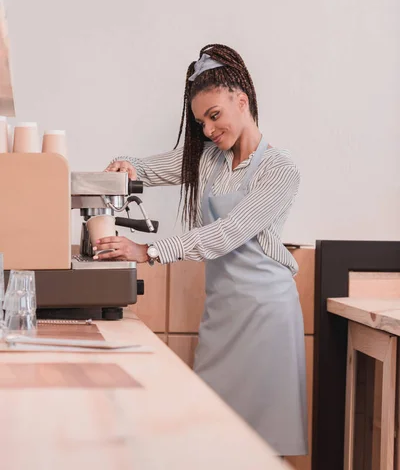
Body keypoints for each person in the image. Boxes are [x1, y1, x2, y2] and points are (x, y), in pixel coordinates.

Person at [96, 43, 308, 457]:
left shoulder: (281, 169)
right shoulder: (209, 160)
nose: (208, 130)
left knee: (263, 446)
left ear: (241, 101)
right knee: (209, 437)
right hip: (222, 315)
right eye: (201, 122)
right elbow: (150, 167)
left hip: (266, 318)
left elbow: (228, 233)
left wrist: (150, 251)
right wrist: (124, 163)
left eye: (215, 116)